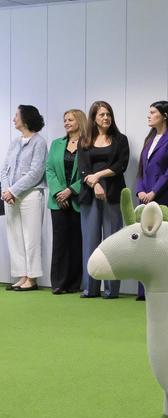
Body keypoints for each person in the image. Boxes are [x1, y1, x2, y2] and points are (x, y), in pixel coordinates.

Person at [133, 101, 168, 301]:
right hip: (145, 200)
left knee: (165, 244)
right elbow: (142, 170)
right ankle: (144, 290)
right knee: (145, 245)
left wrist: (154, 192)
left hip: (166, 198)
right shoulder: (149, 140)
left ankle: (165, 290)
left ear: (164, 115)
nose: (149, 116)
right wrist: (140, 191)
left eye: (153, 112)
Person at [78, 101, 130, 299]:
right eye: (101, 115)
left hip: (113, 193)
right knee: (90, 242)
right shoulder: (85, 140)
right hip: (90, 193)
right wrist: (95, 183)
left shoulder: (120, 139)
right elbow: (83, 168)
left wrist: (98, 176)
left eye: (108, 114)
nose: (106, 118)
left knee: (112, 242)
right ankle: (90, 288)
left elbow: (121, 165)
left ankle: (111, 289)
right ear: (94, 118)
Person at [1, 105, 48, 291]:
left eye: (16, 116)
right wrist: (7, 191)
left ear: (26, 118)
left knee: (31, 237)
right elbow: (3, 170)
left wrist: (14, 190)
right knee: (15, 237)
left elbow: (36, 172)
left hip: (31, 195)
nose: (14, 119)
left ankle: (32, 278)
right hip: (10, 197)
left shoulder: (39, 142)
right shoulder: (14, 142)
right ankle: (22, 276)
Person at [46, 109, 87, 294]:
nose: (66, 123)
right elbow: (49, 170)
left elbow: (88, 172)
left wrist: (71, 191)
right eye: (65, 120)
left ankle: (73, 284)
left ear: (79, 121)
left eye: (70, 119)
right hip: (58, 201)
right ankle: (58, 283)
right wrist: (58, 193)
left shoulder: (88, 144)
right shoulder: (56, 144)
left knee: (76, 242)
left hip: (78, 200)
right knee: (60, 243)